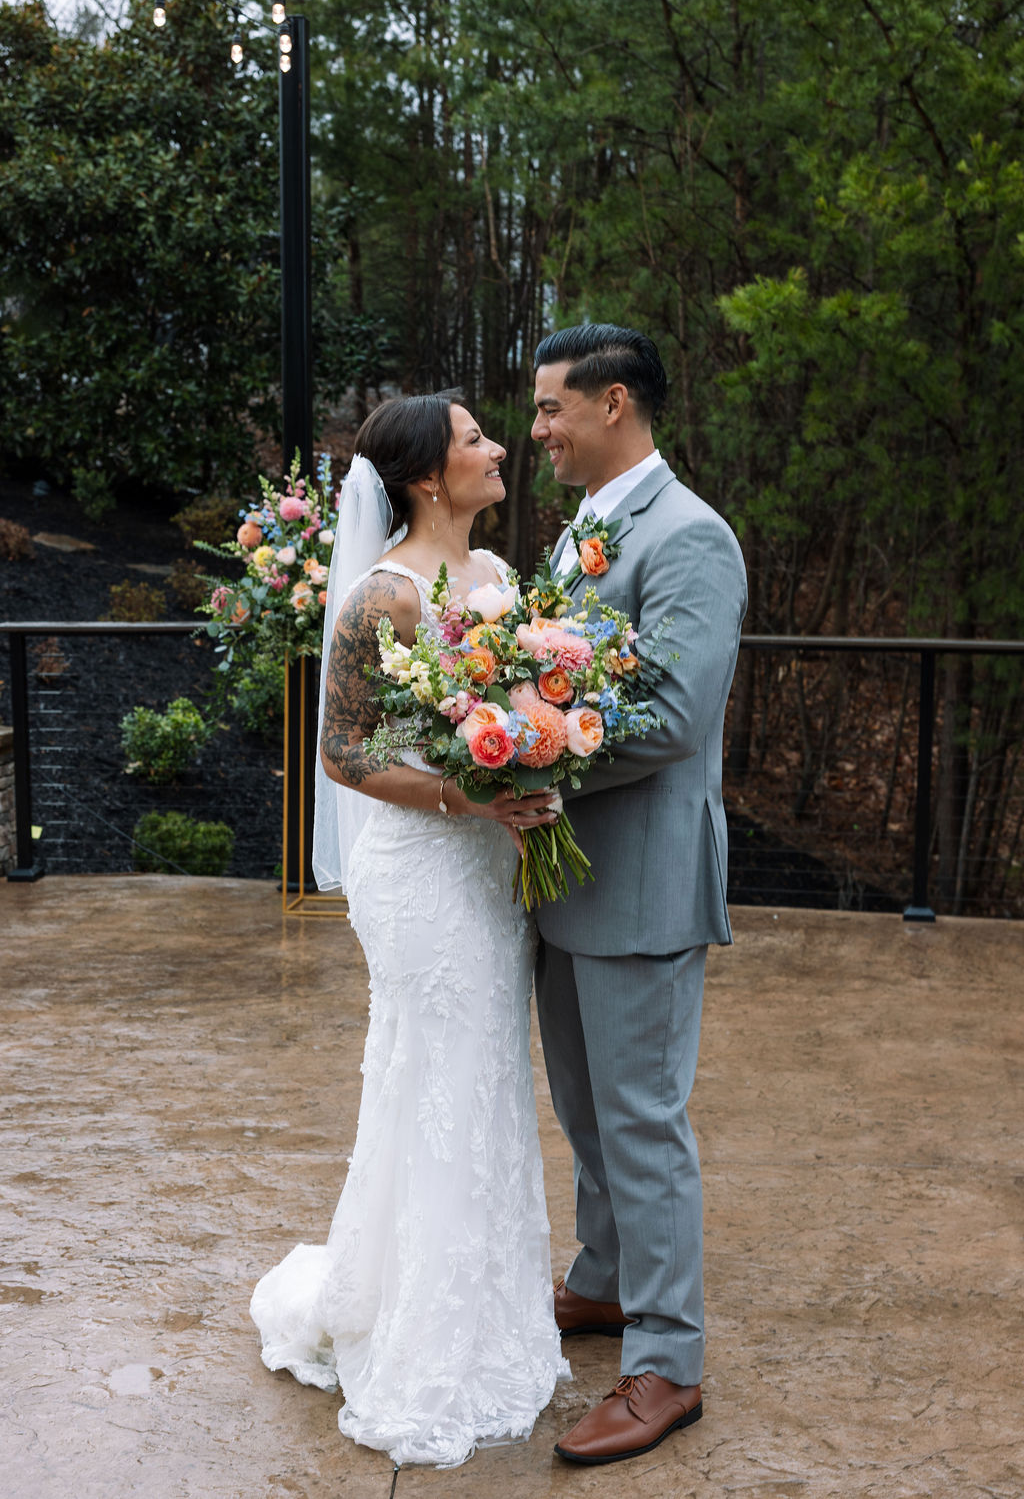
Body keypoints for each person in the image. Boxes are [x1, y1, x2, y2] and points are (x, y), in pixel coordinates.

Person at [249, 393, 567, 1469]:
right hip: (419, 863)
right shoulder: (380, 596)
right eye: (475, 439)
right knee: (436, 1064)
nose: (497, 449)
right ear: (429, 475)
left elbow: (520, 707)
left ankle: (484, 1314)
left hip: (486, 862)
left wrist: (538, 759)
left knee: (482, 1072)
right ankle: (423, 1339)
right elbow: (341, 754)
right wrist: (466, 800)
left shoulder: (502, 582)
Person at [530, 325, 747, 1465]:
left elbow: (666, 716)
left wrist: (517, 750)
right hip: (567, 878)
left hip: (645, 881)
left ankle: (666, 1361)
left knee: (644, 1124)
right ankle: (607, 1283)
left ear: (614, 403)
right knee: (586, 1109)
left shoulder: (692, 537)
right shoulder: (583, 533)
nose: (537, 431)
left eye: (551, 408)